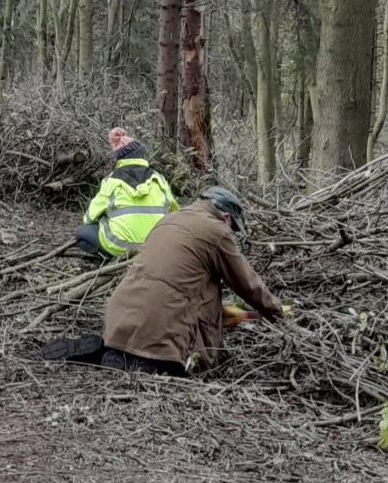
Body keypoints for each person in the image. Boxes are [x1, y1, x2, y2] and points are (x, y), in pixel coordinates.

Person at [44, 187, 282, 375]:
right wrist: (278, 313)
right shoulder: (217, 231)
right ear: (226, 217)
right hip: (162, 336)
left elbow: (176, 279)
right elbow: (248, 285)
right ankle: (144, 360)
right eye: (234, 228)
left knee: (189, 283)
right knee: (176, 357)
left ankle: (114, 350)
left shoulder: (168, 220)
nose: (233, 233)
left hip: (119, 317)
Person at [74, 128, 179, 258]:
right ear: (142, 156)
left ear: (119, 158)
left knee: (82, 233)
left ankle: (109, 260)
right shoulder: (159, 179)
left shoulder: (111, 180)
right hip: (156, 246)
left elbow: (89, 218)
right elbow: (175, 212)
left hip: (121, 246)